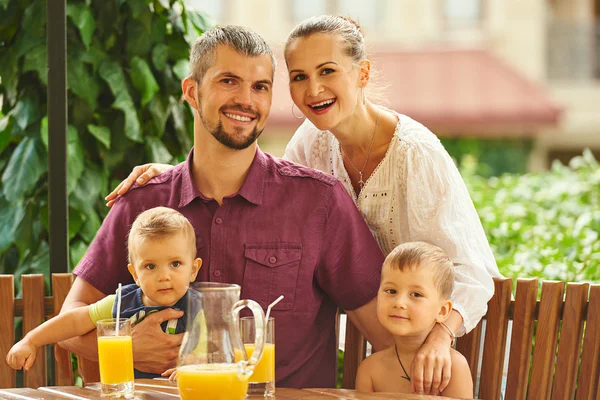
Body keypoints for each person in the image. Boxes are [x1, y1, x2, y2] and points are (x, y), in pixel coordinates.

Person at [107, 15, 501, 395]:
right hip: (382, 339)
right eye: (299, 77)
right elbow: (262, 181)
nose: (314, 89)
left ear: (362, 74)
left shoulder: (415, 154)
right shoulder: (311, 142)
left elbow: (473, 273)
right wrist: (175, 176)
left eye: (328, 71)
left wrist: (439, 338)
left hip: (435, 341)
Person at [61, 25, 388, 389]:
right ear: (192, 92)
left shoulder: (318, 203)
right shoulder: (142, 202)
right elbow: (68, 325)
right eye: (228, 81)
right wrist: (129, 348)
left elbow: (390, 331)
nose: (246, 100)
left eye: (260, 87)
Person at [6, 207, 201, 379]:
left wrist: (193, 364)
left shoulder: (199, 307)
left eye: (175, 264)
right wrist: (31, 340)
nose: (164, 276)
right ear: (135, 274)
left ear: (193, 269)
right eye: (150, 266)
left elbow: (215, 349)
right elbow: (74, 321)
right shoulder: (121, 303)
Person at [355, 242, 473, 398]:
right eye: (391, 291)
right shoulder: (370, 369)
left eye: (416, 295)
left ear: (442, 311)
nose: (399, 303)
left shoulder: (454, 368)